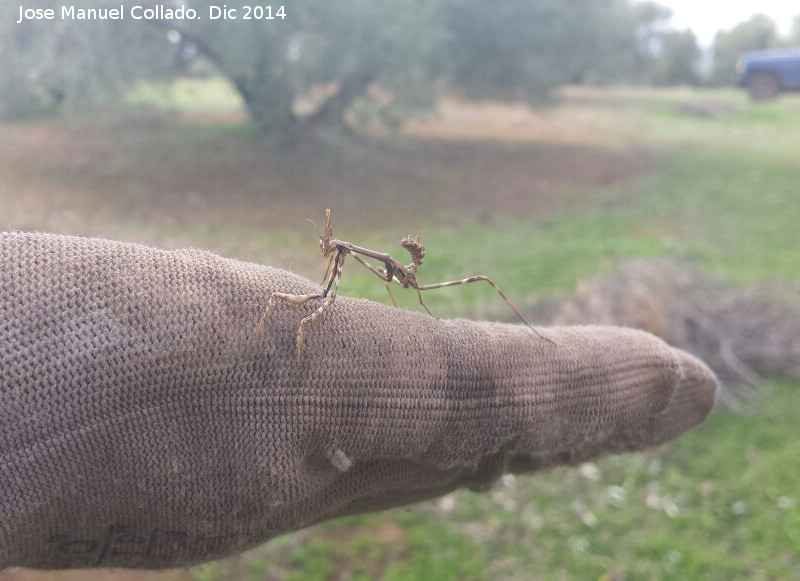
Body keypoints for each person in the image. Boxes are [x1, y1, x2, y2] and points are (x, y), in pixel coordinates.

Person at [0, 232, 717, 570]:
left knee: (471, 288)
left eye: (331, 244)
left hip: (436, 311)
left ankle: (529, 336)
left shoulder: (381, 267)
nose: (329, 250)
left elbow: (372, 285)